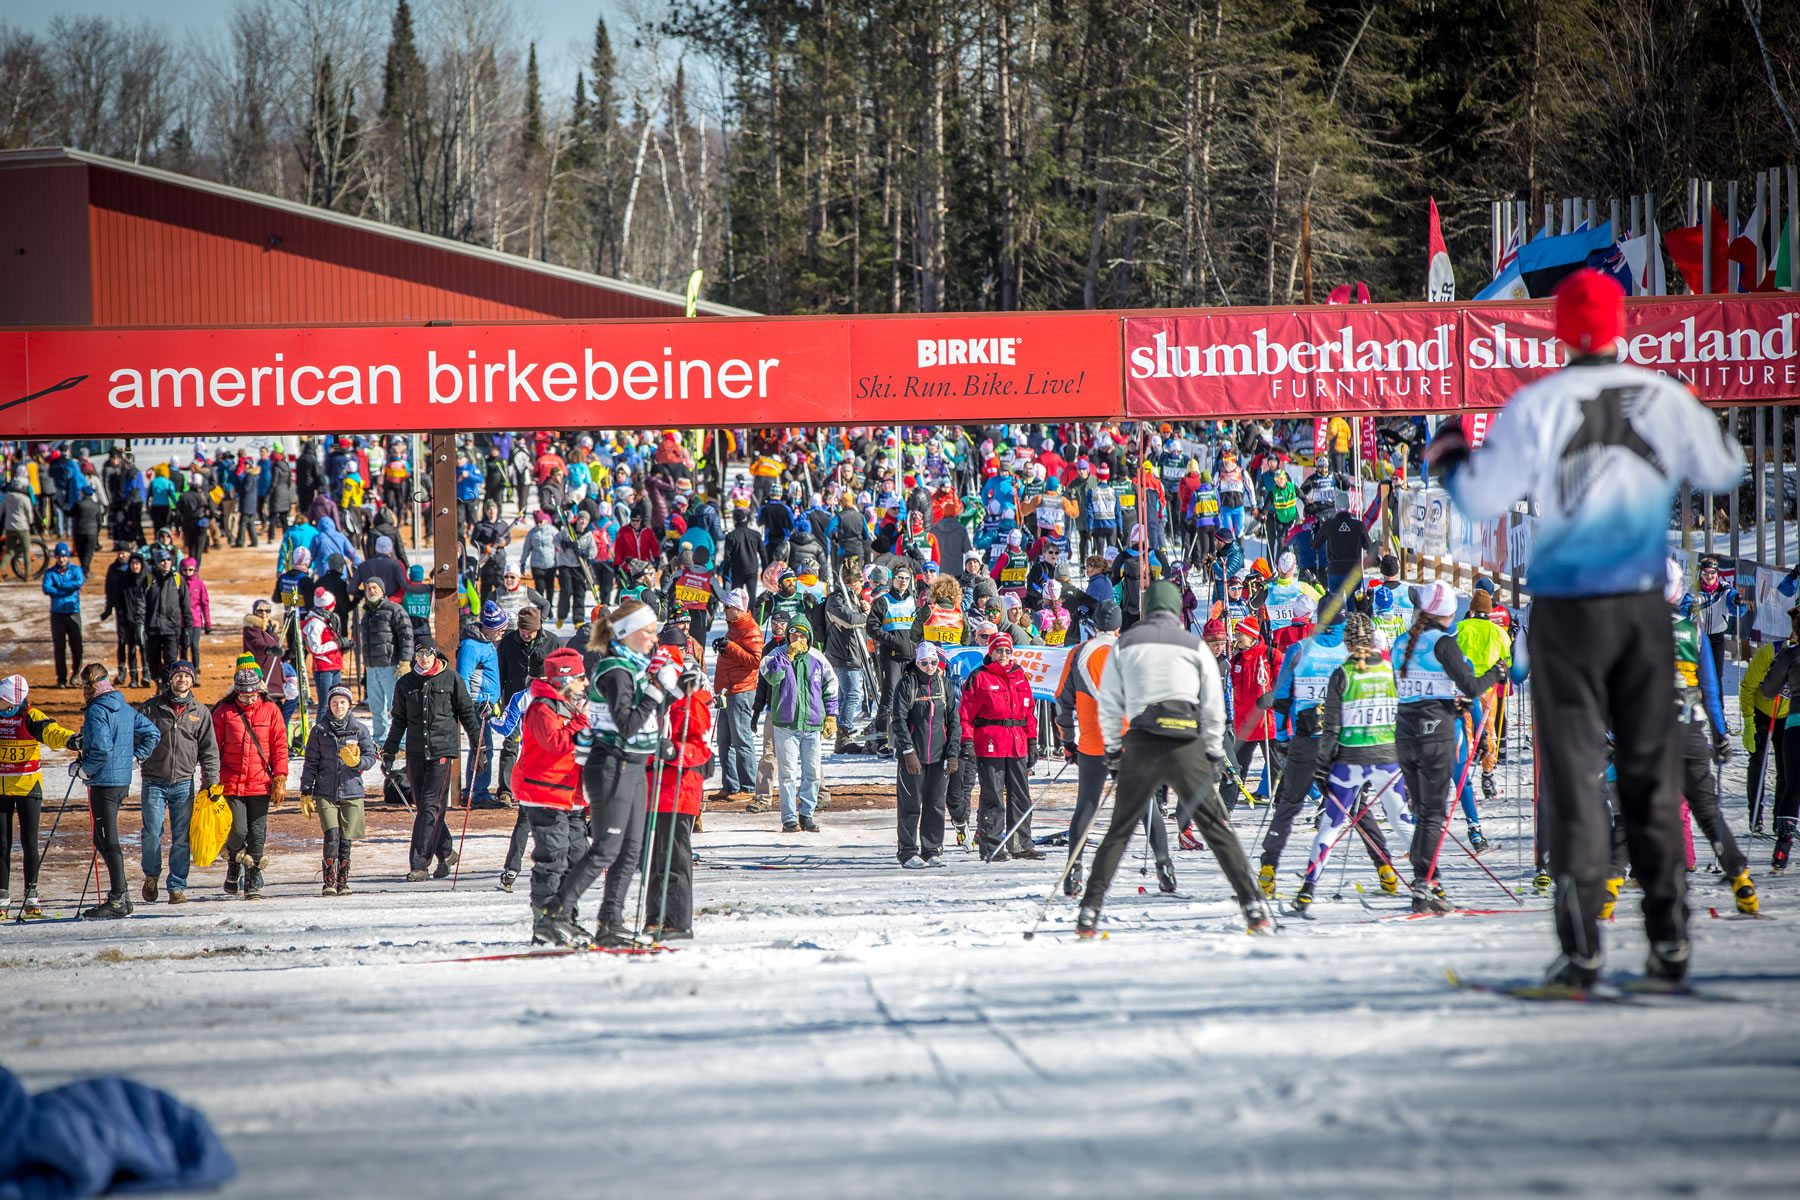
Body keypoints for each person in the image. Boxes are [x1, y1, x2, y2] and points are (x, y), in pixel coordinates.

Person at [1427, 268, 1746, 989]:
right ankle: (1669, 941)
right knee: (1648, 768)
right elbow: (1727, 469)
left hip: (1566, 608)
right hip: (1641, 605)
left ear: (1560, 331)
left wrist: (1448, 456)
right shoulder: (1663, 395)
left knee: (1572, 777)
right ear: (1622, 326)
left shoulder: (1535, 404)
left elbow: (1477, 498)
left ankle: (1582, 952)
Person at [1076, 581, 1266, 937]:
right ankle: (1252, 903)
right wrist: (1213, 752)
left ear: (1146, 607)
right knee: (1216, 827)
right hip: (1186, 737)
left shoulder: (1125, 643)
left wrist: (1115, 750)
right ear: (1177, 608)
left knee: (1120, 830)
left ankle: (1089, 909)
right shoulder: (1194, 645)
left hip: (1142, 739)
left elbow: (1111, 701)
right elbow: (1212, 704)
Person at [546, 599, 692, 948]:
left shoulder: (635, 666)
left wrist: (680, 688)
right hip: (612, 762)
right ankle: (555, 914)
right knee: (607, 849)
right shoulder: (615, 669)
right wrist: (658, 690)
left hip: (636, 764)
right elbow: (627, 724)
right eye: (650, 632)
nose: (655, 639)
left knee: (631, 850)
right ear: (629, 634)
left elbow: (650, 715)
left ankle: (610, 920)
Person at [1391, 582, 1506, 914]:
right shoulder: (1443, 642)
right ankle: (1425, 885)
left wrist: (1449, 701)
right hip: (1434, 732)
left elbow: (1410, 686)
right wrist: (1495, 674)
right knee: (1433, 814)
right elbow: (1470, 686)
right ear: (1446, 612)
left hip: (1406, 730)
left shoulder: (1402, 642)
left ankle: (1429, 884)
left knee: (1422, 812)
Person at [1054, 601, 1178, 893]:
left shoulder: (1079, 652)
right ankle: (1165, 868)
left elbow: (1062, 701)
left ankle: (1074, 873)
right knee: (1146, 805)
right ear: (1120, 626)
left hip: (1093, 742)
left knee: (1086, 805)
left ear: (1094, 625)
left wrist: (1068, 741)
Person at [1292, 613, 1410, 916]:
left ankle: (1308, 889)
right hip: (1386, 759)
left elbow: (1331, 728)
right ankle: (1430, 882)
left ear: (1347, 642)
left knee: (1331, 825)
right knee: (1402, 822)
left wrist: (1322, 766)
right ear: (1372, 639)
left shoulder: (1342, 674)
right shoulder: (1389, 670)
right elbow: (1402, 716)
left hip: (1350, 761)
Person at [1665, 561, 1755, 914]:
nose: (1709, 575)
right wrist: (1719, 734)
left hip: (1651, 728)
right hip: (1690, 725)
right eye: (1705, 572)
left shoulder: (1636, 628)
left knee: (1635, 808)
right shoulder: (1690, 624)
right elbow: (1711, 691)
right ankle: (1740, 877)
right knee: (1704, 807)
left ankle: (1612, 886)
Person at [383, 634, 481, 882]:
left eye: (427, 653)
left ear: (435, 654)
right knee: (427, 808)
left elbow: (468, 714)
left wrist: (481, 748)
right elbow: (399, 722)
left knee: (429, 806)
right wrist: (389, 752)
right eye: (419, 654)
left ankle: (419, 864)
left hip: (441, 752)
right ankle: (446, 852)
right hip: (416, 753)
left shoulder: (452, 679)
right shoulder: (405, 683)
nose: (424, 658)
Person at [516, 648, 592, 945]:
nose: (586, 683)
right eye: (581, 677)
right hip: (544, 794)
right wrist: (582, 722)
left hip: (570, 796)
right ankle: (545, 923)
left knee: (578, 857)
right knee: (552, 859)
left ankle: (565, 916)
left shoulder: (571, 707)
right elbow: (555, 743)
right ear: (565, 678)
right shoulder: (542, 707)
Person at [74, 663, 160, 917]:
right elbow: (152, 733)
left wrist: (84, 769)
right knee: (102, 839)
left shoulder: (97, 710)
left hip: (104, 783)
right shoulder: (122, 706)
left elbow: (101, 749)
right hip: (120, 781)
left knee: (107, 839)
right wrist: (136, 758)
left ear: (87, 686)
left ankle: (118, 899)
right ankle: (121, 894)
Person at [137, 660, 221, 906]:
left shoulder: (201, 712)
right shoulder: (151, 709)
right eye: (178, 675)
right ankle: (151, 876)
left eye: (187, 676)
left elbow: (209, 751)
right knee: (152, 832)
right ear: (171, 679)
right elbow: (135, 738)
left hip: (184, 783)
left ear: (192, 680)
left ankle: (176, 887)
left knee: (182, 838)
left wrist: (211, 781)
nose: (182, 679)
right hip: (153, 780)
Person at [645, 652, 713, 941]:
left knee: (675, 856)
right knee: (655, 858)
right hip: (654, 789)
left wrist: (674, 752)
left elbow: (703, 751)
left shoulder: (690, 703)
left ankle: (678, 919)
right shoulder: (653, 703)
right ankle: (655, 915)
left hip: (679, 790)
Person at [0, 675, 77, 918]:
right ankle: (2, 896)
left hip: (28, 785)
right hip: (1, 788)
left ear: (12, 698)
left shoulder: (30, 715)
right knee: (1, 844)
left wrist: (71, 739)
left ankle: (31, 896)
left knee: (29, 842)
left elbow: (51, 731)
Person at [959, 631, 1040, 861]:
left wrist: (1032, 740)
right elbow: (965, 713)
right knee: (993, 796)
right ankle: (992, 845)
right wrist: (967, 741)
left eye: (1007, 651)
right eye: (999, 650)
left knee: (1021, 796)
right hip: (990, 742)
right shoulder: (979, 677)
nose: (1003, 655)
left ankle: (1020, 843)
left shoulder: (1019, 676)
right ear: (991, 652)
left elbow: (1029, 713)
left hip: (1017, 742)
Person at [213, 662, 287, 900]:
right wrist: (210, 781)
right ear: (236, 692)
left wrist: (280, 777)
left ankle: (253, 877)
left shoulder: (271, 710)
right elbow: (213, 749)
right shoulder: (223, 712)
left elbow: (280, 746)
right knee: (238, 829)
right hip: (231, 782)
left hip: (261, 782)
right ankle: (234, 862)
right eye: (243, 696)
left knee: (257, 831)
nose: (247, 700)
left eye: (251, 695)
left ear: (259, 691)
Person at [760, 616, 839, 833]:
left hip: (812, 725)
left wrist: (831, 716)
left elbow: (831, 687)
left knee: (812, 772)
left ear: (809, 636)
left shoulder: (818, 658)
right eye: (794, 634)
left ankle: (807, 814)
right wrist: (788, 655)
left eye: (802, 635)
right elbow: (771, 676)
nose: (798, 639)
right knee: (787, 773)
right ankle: (789, 818)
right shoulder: (775, 655)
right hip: (785, 724)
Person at [299, 685, 377, 897]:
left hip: (351, 790)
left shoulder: (360, 729)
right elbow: (311, 762)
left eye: (343, 702)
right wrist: (306, 790)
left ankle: (343, 881)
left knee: (346, 837)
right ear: (329, 705)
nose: (339, 706)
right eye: (335, 702)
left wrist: (359, 761)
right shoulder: (319, 731)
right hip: (326, 791)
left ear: (349, 705)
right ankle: (329, 882)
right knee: (331, 834)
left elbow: (371, 758)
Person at [890, 642, 960, 867]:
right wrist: (908, 752)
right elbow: (898, 720)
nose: (929, 667)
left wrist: (953, 754)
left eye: (933, 662)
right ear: (917, 663)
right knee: (910, 805)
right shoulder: (907, 684)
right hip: (914, 757)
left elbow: (954, 721)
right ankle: (908, 851)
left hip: (939, 756)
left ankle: (932, 849)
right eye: (924, 663)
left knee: (936, 804)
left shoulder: (944, 684)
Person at [490, 605, 554, 808]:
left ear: (539, 628)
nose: (526, 635)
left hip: (545, 702)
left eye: (530, 631)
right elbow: (500, 671)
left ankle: (542, 786)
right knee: (511, 743)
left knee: (542, 746)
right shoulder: (508, 641)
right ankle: (506, 790)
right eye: (523, 630)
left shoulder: (552, 641)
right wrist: (498, 699)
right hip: (514, 701)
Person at [1740, 612, 1792, 834]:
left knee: (1786, 769)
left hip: (1788, 716)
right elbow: (1748, 687)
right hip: (1762, 712)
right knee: (1759, 763)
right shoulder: (1769, 653)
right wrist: (1748, 722)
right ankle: (1755, 816)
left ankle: (1780, 818)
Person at [710, 589, 762, 801]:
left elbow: (755, 660)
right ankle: (730, 785)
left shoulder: (751, 629)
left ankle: (748, 787)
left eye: (727, 607)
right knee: (724, 741)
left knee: (741, 740)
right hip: (727, 690)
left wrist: (729, 647)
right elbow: (734, 652)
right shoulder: (734, 628)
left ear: (738, 609)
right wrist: (723, 646)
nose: (724, 611)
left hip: (741, 690)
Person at [866, 564, 918, 756]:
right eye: (900, 577)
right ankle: (880, 740)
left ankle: (906, 739)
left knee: (911, 699)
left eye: (906, 578)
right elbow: (871, 627)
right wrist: (891, 640)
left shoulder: (913, 601)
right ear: (893, 580)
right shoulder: (884, 601)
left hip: (911, 657)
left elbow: (919, 626)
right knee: (889, 698)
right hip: (892, 657)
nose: (903, 581)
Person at [358, 577, 412, 747]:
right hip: (372, 668)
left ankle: (402, 742)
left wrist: (405, 660)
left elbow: (406, 635)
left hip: (391, 666)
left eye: (375, 588)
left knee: (396, 707)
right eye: (368, 588)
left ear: (382, 590)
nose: (371, 591)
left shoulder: (394, 610)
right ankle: (380, 741)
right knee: (376, 707)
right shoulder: (367, 614)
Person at [141, 548, 191, 685]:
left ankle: (165, 686)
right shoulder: (148, 580)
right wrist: (140, 624)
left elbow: (186, 606)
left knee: (171, 660)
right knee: (152, 660)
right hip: (153, 628)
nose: (166, 563)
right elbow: (140, 604)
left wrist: (188, 628)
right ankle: (158, 680)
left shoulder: (177, 580)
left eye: (168, 560)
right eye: (162, 560)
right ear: (157, 563)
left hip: (172, 628)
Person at [43, 542, 85, 689]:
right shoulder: (50, 572)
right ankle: (61, 678)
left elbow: (79, 583)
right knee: (59, 647)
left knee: (77, 646)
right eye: (59, 556)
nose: (62, 559)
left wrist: (58, 588)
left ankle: (75, 674)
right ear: (56, 557)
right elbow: (47, 588)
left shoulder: (76, 570)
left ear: (68, 556)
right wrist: (68, 589)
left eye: (64, 556)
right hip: (57, 614)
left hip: (73, 612)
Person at [302, 588, 347, 703]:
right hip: (323, 667)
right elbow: (315, 649)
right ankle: (322, 722)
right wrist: (337, 644)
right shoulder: (316, 623)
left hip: (335, 665)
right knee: (326, 704)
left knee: (337, 701)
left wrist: (343, 648)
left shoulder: (329, 619)